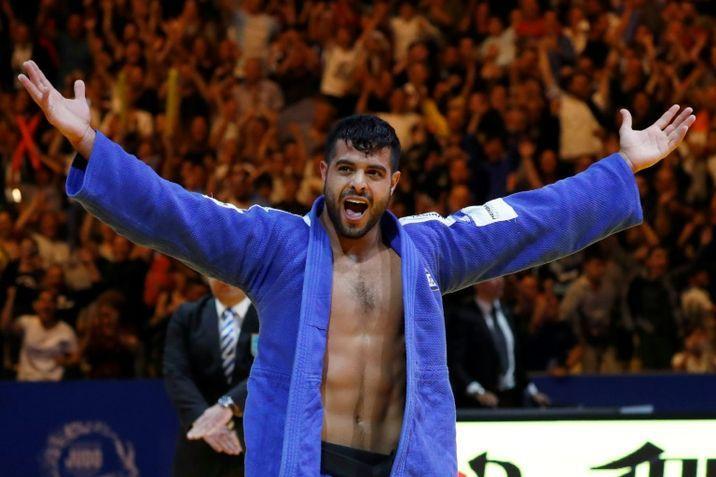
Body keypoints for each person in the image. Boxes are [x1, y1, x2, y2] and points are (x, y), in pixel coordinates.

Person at [18, 60, 694, 476]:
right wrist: (90, 142)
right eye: (346, 169)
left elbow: (527, 219)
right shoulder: (276, 245)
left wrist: (621, 168)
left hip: (403, 465)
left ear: (394, 184)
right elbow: (178, 213)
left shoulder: (431, 248)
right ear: (324, 173)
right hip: (309, 464)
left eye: (373, 173)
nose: (357, 184)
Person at [164, 278, 259, 477]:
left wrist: (229, 405)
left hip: (255, 439)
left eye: (232, 268)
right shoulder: (187, 316)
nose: (225, 276)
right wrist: (204, 421)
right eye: (217, 270)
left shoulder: (268, 316)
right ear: (205, 274)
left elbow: (271, 370)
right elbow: (176, 373)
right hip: (199, 444)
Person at [447, 277, 549, 408]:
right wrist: (478, 392)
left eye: (501, 276)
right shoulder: (463, 315)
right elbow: (455, 363)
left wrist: (532, 391)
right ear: (477, 283)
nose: (500, 281)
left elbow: (515, 358)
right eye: (493, 277)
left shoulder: (507, 312)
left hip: (512, 398)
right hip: (479, 403)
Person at [1, 287, 79, 381]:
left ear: (56, 306)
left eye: (50, 302)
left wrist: (67, 362)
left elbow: (75, 357)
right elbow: (4, 327)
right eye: (42, 301)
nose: (46, 306)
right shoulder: (26, 323)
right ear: (36, 305)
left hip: (53, 382)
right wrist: (10, 299)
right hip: (26, 381)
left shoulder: (66, 330)